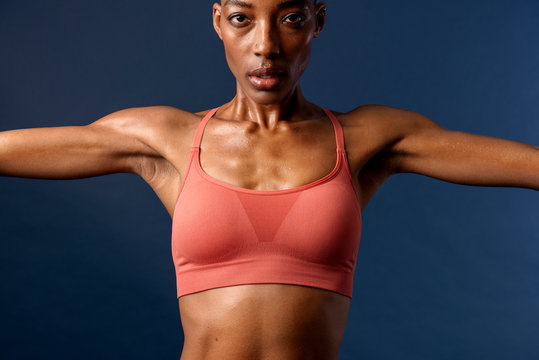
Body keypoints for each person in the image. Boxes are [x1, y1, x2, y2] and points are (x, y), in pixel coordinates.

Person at [1, 0, 537, 359]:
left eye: (290, 19)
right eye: (242, 18)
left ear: (317, 20)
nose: (266, 45)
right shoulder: (166, 139)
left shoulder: (369, 137)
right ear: (218, 21)